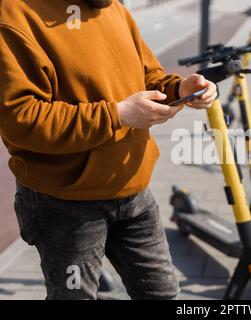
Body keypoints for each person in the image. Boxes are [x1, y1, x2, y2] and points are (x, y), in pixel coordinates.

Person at [0, 0, 217, 299]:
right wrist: (117, 115)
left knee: (162, 294)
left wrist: (179, 89)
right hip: (65, 202)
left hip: (135, 191)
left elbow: (148, 76)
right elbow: (21, 120)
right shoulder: (14, 14)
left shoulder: (114, 7)